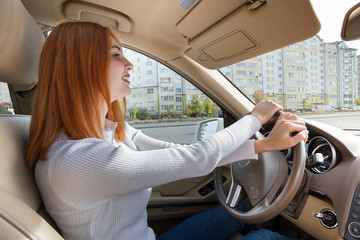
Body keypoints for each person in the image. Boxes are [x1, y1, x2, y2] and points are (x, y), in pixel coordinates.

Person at [26, 21, 307, 240]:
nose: (130, 64)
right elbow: (196, 159)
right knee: (267, 236)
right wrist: (254, 118)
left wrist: (264, 145)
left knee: (243, 213)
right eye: (115, 55)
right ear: (80, 67)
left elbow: (182, 154)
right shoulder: (76, 159)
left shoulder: (107, 131)